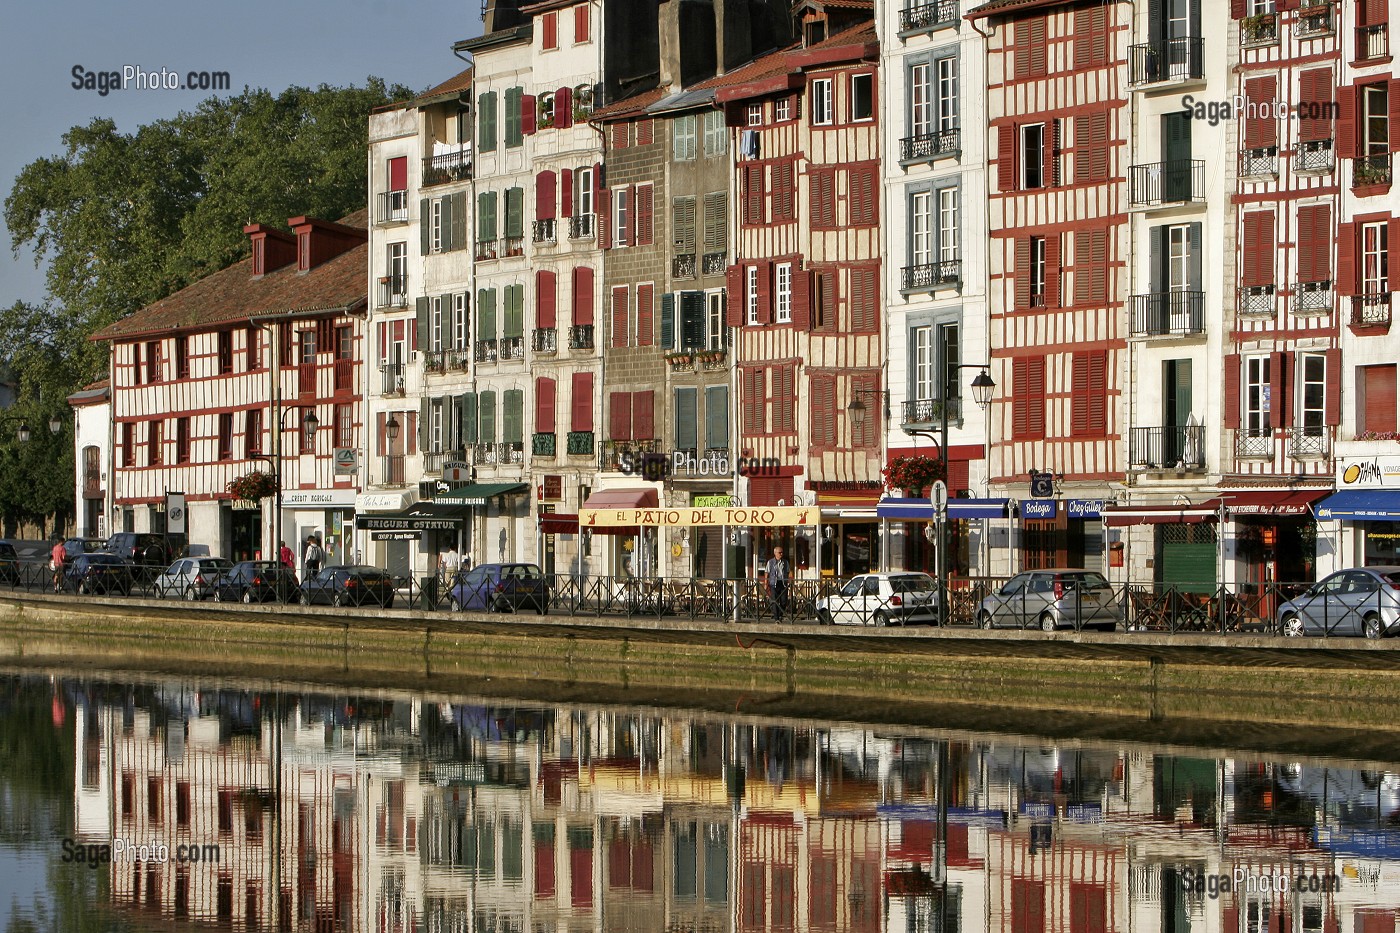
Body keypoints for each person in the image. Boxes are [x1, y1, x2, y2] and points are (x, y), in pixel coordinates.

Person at [765, 546, 790, 621]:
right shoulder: (770, 562)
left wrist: (787, 580)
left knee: (784, 601)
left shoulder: (785, 562)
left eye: (782, 552)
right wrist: (766, 583)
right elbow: (767, 572)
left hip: (783, 583)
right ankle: (776, 618)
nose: (781, 554)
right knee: (774, 600)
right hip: (773, 583)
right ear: (775, 553)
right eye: (780, 552)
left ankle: (780, 614)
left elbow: (788, 572)